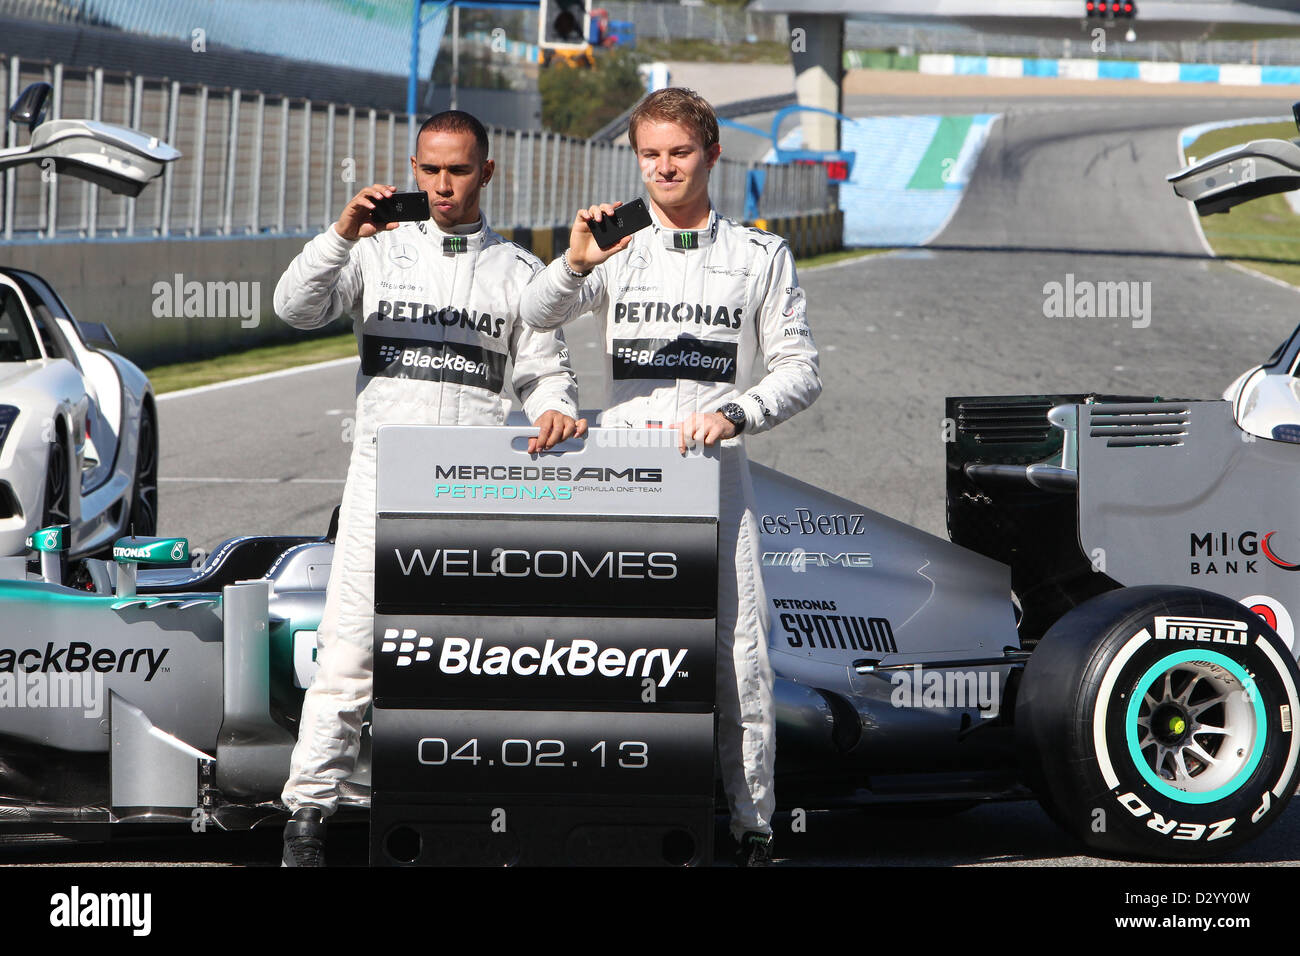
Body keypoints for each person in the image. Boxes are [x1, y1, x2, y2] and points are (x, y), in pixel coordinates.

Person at [275, 110, 585, 866]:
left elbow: (545, 372)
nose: (443, 185)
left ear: (488, 172)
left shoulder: (518, 272)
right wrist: (342, 232)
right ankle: (307, 818)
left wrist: (555, 412)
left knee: (469, 658)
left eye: (459, 170)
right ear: (414, 170)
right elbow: (294, 309)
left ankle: (471, 813)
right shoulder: (375, 252)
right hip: (382, 482)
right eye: (431, 170)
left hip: (475, 494)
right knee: (347, 656)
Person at [519, 87, 821, 866]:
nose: (663, 168)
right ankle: (612, 823)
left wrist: (741, 412)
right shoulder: (612, 244)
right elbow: (535, 313)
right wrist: (573, 263)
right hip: (622, 471)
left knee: (739, 657)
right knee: (614, 651)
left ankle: (754, 828)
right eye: (649, 154)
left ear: (712, 156)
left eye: (679, 152)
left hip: (717, 471)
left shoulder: (762, 256)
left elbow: (801, 370)